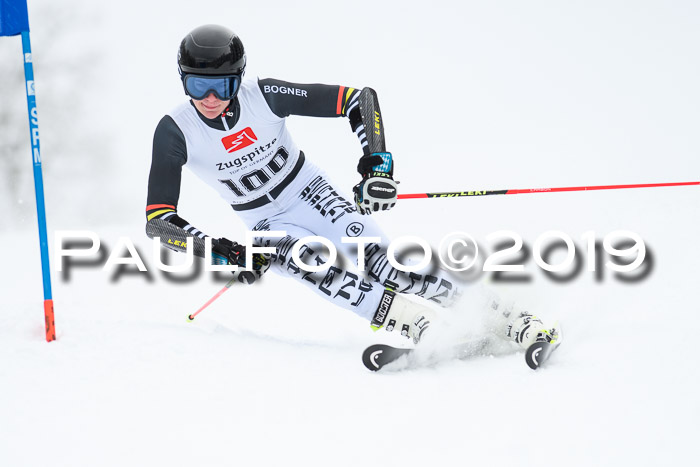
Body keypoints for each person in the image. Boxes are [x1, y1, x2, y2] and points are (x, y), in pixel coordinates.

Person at [146, 24, 551, 350]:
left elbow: (360, 100)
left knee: (387, 266)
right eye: (199, 86)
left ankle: (509, 318)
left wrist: (376, 164)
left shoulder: (264, 96)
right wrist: (220, 251)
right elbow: (158, 222)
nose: (212, 98)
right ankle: (417, 325)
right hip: (264, 220)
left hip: (311, 192)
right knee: (308, 265)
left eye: (224, 85)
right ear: (183, 81)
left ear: (240, 80)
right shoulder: (175, 131)